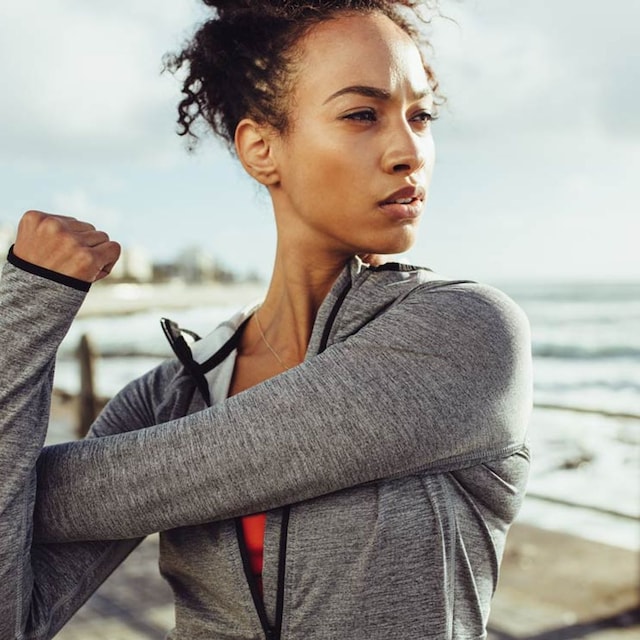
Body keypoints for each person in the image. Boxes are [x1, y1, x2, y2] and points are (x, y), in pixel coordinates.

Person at [0, 1, 532, 638]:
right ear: (261, 149)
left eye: (420, 115)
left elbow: (54, 496)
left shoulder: (464, 335)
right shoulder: (170, 397)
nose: (408, 150)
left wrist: (23, 485)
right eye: (363, 114)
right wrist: (27, 306)